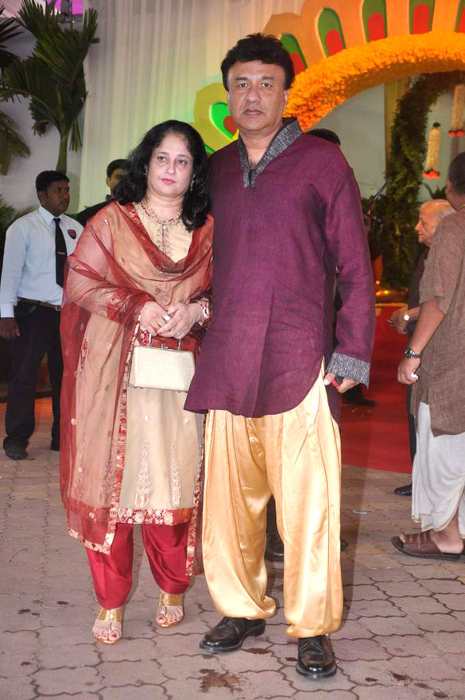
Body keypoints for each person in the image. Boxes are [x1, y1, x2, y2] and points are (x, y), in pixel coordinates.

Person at [186, 34, 375, 679]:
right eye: (241, 84)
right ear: (228, 95)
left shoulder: (323, 164)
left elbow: (354, 265)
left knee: (309, 505)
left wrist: (350, 354)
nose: (253, 95)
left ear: (286, 92)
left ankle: (313, 626)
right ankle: (240, 608)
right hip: (230, 358)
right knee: (230, 504)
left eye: (266, 83)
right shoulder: (213, 169)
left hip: (300, 360)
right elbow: (193, 257)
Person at [60, 120, 213, 644]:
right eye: (162, 159)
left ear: (194, 173)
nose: (171, 169)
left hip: (179, 377)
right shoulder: (111, 222)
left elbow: (229, 293)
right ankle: (110, 602)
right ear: (145, 164)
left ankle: (172, 589)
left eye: (183, 161)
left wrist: (196, 310)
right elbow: (79, 280)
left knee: (173, 483)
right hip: (113, 373)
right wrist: (136, 305)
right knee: (110, 486)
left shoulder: (210, 229)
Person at [393, 153, 465, 561]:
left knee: (445, 444)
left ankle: (446, 535)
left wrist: (412, 353)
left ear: (452, 188)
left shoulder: (454, 228)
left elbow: (438, 298)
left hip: (454, 358)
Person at [0, 171, 82, 460]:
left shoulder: (76, 229)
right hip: (32, 313)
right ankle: (16, 439)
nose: (65, 195)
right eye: (59, 190)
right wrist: (6, 315)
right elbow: (9, 274)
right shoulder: (22, 228)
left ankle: (62, 438)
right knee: (24, 375)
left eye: (67, 190)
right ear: (42, 195)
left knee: (66, 377)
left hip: (67, 314)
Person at [389, 199, 453, 497]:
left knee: (429, 417)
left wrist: (410, 320)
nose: (417, 227)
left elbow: (441, 302)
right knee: (414, 413)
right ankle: (420, 478)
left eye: (423, 223)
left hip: (438, 350)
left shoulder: (449, 255)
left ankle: (431, 490)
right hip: (422, 340)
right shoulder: (427, 254)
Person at [75, 158, 129, 226]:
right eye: (119, 177)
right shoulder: (88, 216)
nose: (123, 182)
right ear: (108, 181)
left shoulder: (142, 214)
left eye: (127, 178)